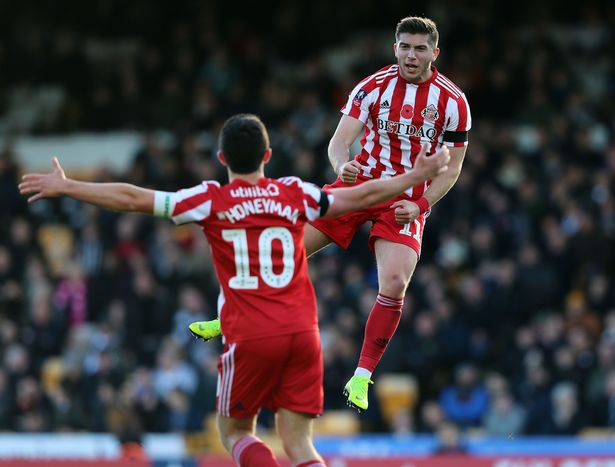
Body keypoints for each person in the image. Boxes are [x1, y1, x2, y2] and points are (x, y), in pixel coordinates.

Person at [20, 114, 450, 467]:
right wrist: (418, 174)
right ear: (267, 155)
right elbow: (365, 195)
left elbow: (133, 198)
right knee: (301, 446)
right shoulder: (294, 193)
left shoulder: (209, 200)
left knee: (236, 434)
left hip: (249, 334)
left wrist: (68, 186)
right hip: (303, 334)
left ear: (222, 157)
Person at [190, 16, 472, 413]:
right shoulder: (372, 87)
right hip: (359, 186)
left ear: (434, 53)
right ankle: (228, 315)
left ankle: (361, 377)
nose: (411, 55)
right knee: (285, 247)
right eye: (405, 47)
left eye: (420, 48)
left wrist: (422, 205)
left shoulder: (453, 102)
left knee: (394, 282)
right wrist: (342, 167)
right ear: (395, 48)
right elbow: (339, 144)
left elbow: (454, 166)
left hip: (405, 200)